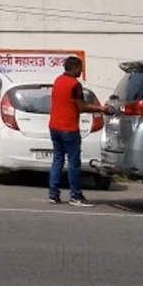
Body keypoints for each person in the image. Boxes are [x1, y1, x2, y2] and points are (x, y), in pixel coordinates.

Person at [48, 56, 113, 206]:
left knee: (57, 160)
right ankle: (75, 196)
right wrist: (101, 109)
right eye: (80, 67)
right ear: (75, 67)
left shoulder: (58, 80)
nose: (81, 70)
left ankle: (53, 194)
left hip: (54, 126)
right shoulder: (75, 85)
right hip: (69, 128)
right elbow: (81, 106)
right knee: (73, 162)